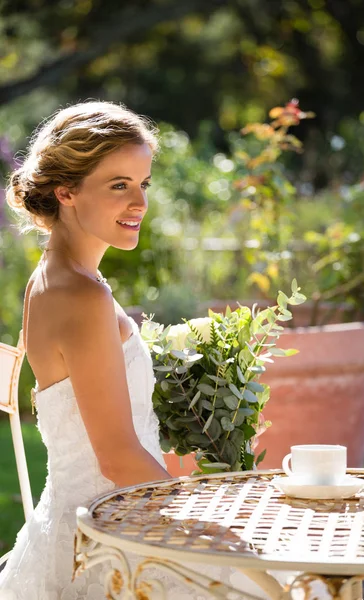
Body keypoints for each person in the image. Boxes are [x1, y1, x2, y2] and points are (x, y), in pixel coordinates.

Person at [0, 101, 268, 600]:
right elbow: (119, 457)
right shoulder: (81, 296)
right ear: (66, 192)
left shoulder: (56, 278)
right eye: (118, 185)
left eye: (143, 183)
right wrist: (202, 517)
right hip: (112, 540)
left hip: (90, 518)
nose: (139, 202)